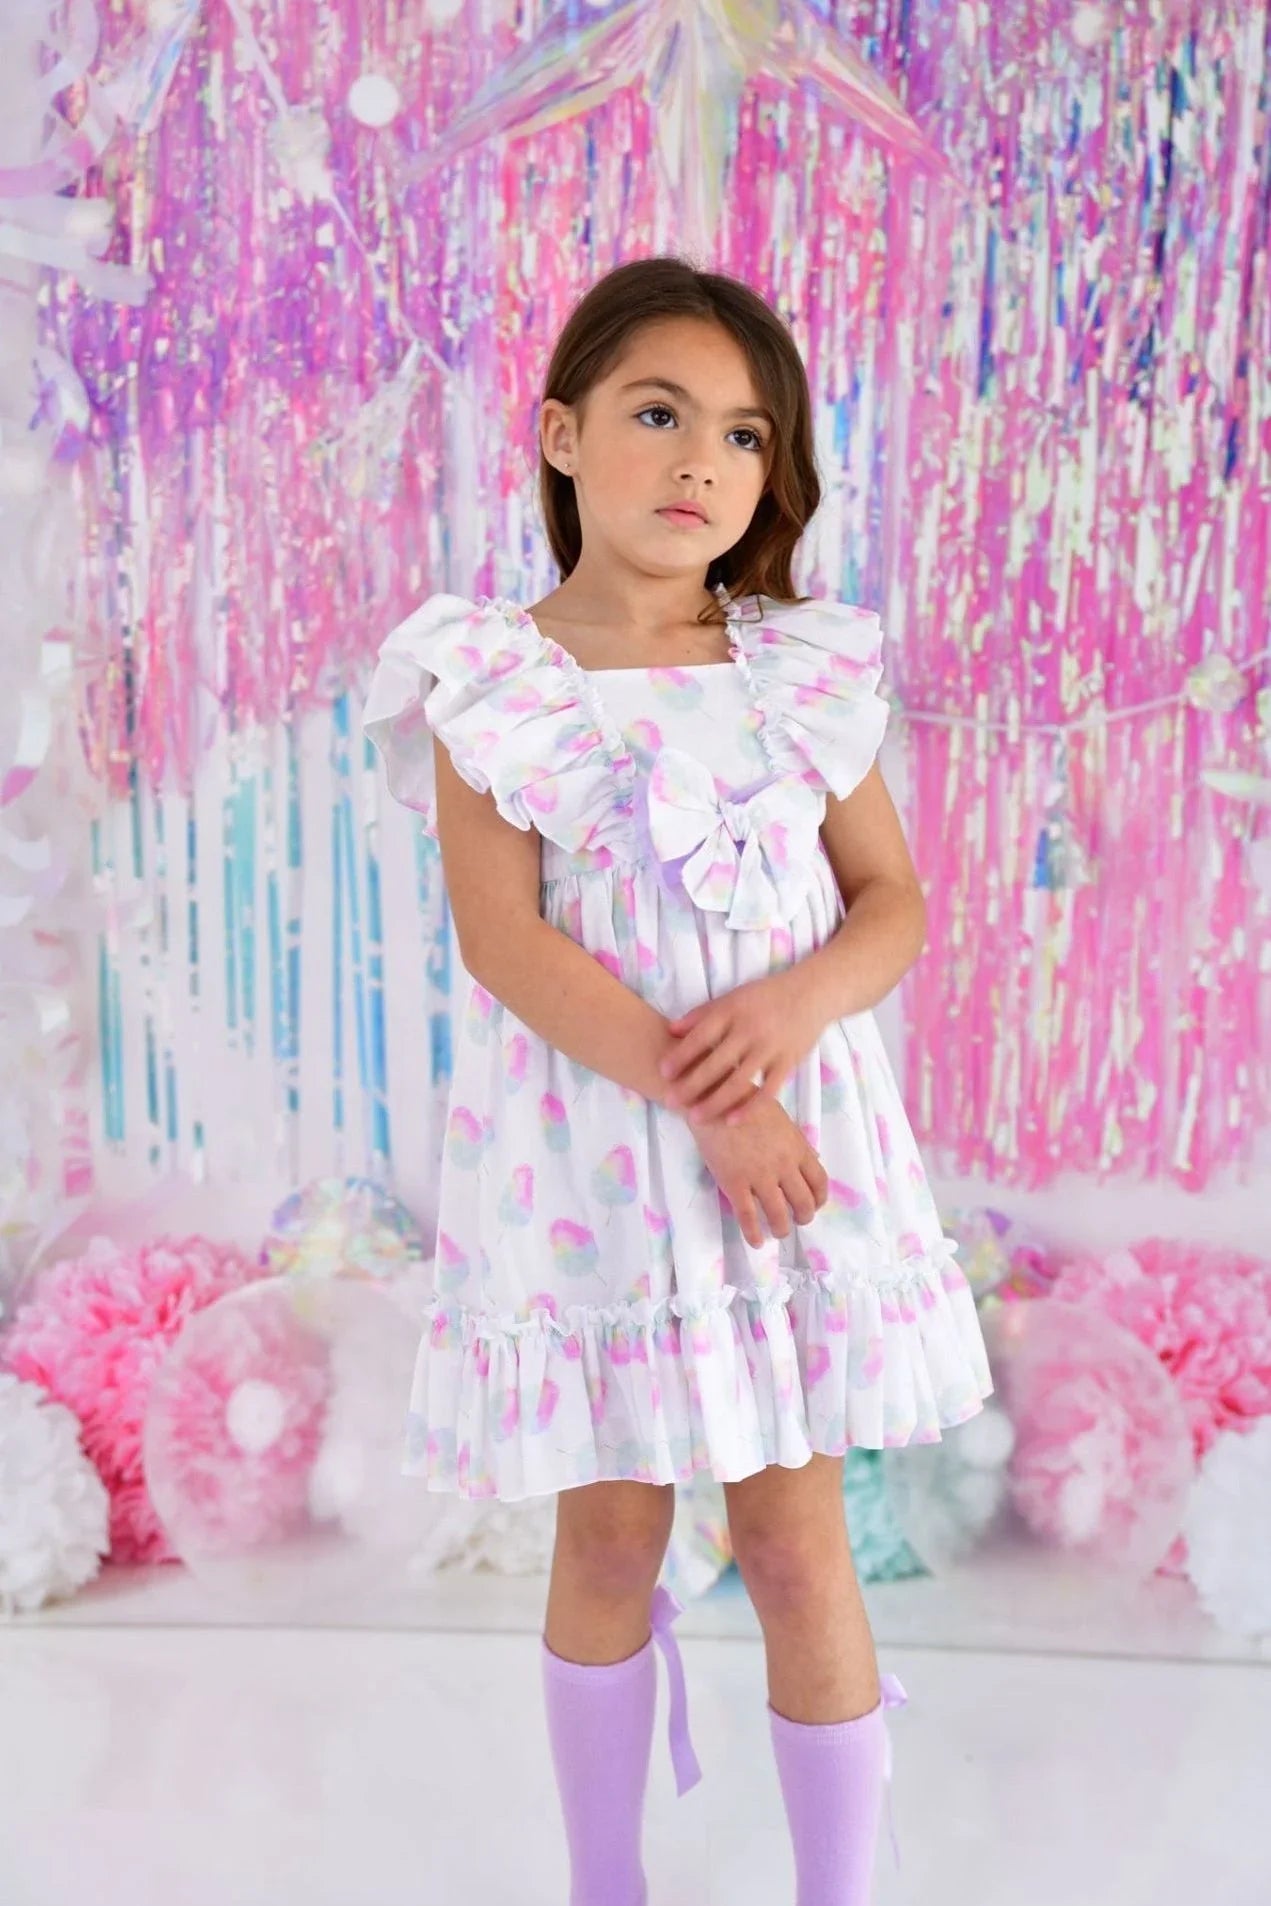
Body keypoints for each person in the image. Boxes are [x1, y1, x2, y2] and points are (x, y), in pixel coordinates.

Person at [364, 255, 993, 1906]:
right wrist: (710, 1092)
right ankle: (606, 1883)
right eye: (659, 414)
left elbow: (893, 902)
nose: (703, 461)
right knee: (610, 1533)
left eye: (743, 432)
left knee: (793, 1536)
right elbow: (505, 941)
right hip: (598, 1165)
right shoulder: (494, 680)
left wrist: (787, 1012)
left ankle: (837, 1890)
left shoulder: (797, 672)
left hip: (788, 1174)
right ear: (562, 433)